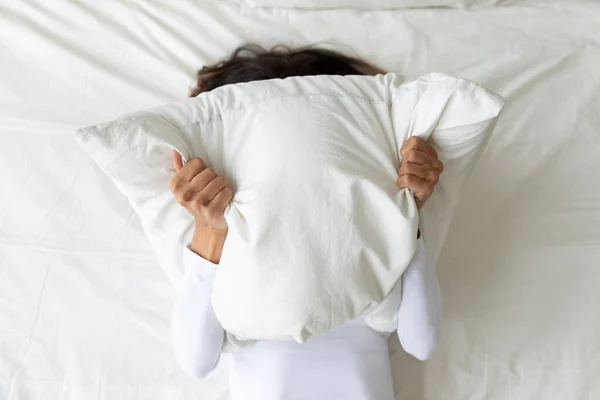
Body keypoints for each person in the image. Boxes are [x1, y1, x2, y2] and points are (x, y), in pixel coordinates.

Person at [169, 45, 444, 400]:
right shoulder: (232, 258)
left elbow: (422, 340)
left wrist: (407, 209)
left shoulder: (366, 246)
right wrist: (211, 230)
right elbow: (196, 360)